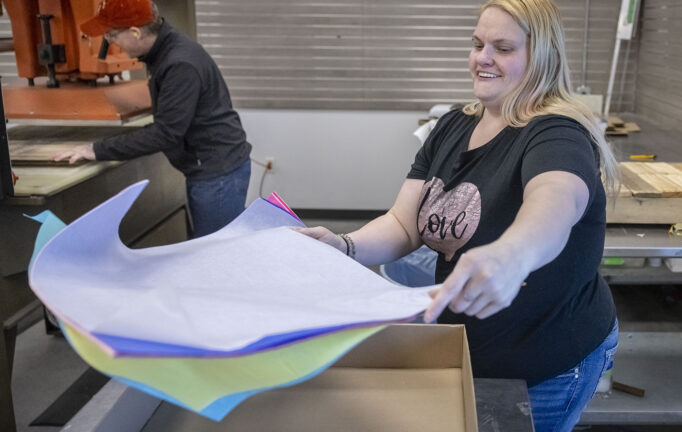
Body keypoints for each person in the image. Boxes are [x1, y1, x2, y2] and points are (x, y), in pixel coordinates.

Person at [298, 1, 619, 430]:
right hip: (470, 347)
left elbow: (556, 200)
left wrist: (512, 255)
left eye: (502, 48)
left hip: (547, 361)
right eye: (477, 44)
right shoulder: (453, 125)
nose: (482, 58)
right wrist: (345, 245)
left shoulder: (556, 132)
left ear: (541, 56)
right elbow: (402, 223)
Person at [53, 0, 252, 238]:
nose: (108, 41)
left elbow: (166, 134)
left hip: (218, 174)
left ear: (135, 32)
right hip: (215, 167)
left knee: (215, 252)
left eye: (112, 34)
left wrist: (96, 149)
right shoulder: (166, 52)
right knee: (213, 247)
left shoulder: (179, 63)